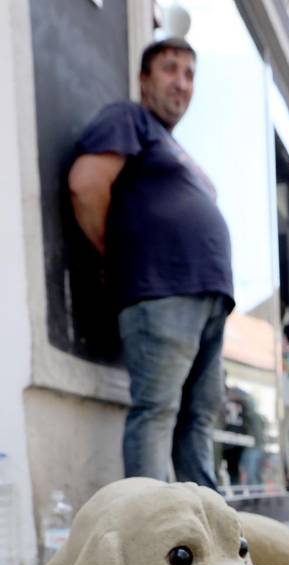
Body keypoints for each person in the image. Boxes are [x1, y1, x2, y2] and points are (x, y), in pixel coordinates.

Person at [68, 38, 235, 490]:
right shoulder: (129, 118)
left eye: (189, 73)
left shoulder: (175, 147)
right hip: (160, 289)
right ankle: (151, 538)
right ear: (145, 79)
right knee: (158, 411)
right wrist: (114, 252)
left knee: (197, 420)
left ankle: (209, 535)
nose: (181, 82)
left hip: (208, 298)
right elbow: (87, 185)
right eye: (170, 69)